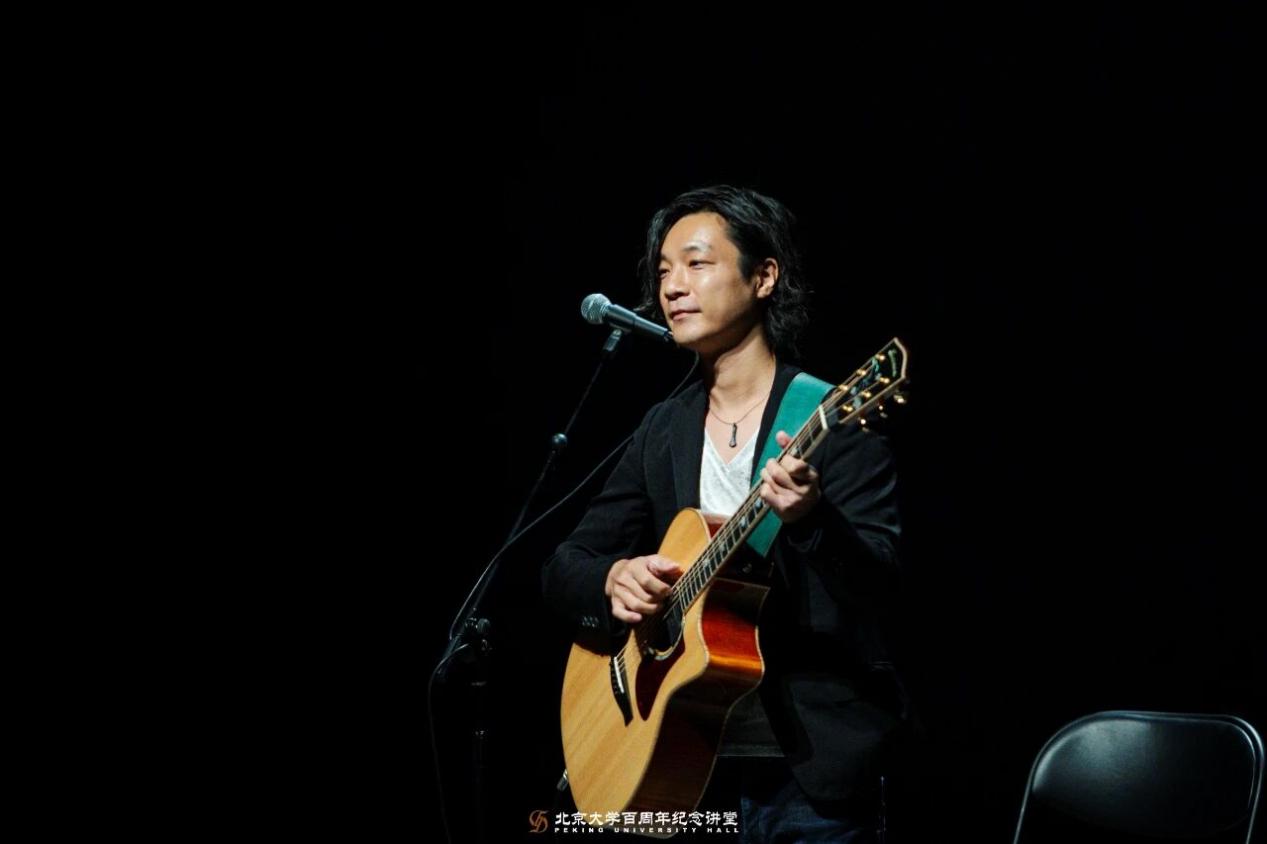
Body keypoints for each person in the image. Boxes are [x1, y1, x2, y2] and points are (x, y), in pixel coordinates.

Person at [542, 185, 906, 842]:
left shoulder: (832, 422)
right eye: (663, 271)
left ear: (763, 277)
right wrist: (613, 579)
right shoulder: (663, 429)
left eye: (697, 263)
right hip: (682, 767)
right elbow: (565, 566)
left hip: (808, 778)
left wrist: (811, 521)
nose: (672, 287)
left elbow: (882, 591)